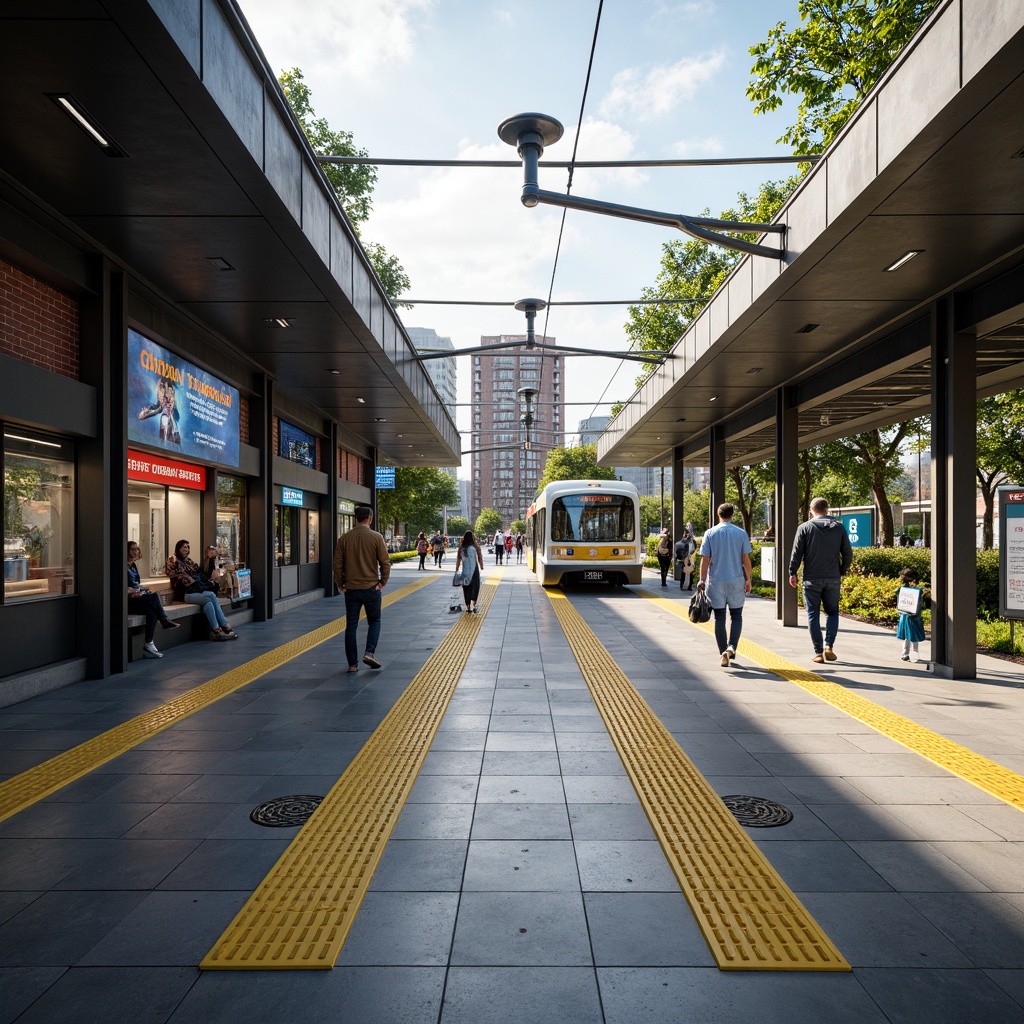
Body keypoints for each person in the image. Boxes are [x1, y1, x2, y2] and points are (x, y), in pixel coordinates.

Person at [788, 497, 853, 664]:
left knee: (812, 614)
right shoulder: (838, 527)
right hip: (832, 578)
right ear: (827, 509)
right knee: (832, 612)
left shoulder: (805, 528)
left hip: (811, 579)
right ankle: (829, 645)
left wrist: (792, 572)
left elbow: (797, 553)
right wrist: (841, 571)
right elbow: (847, 553)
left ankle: (818, 652)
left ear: (811, 510)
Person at [333, 505, 390, 672]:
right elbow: (384, 562)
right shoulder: (376, 537)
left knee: (351, 625)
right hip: (371, 587)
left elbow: (337, 565)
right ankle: (369, 653)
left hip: (351, 589)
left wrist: (340, 583)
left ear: (356, 518)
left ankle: (352, 664)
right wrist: (383, 581)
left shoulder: (344, 539)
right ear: (369, 518)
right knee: (375, 621)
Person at [697, 503, 752, 668]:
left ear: (718, 514)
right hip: (736, 581)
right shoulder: (741, 533)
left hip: (716, 582)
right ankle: (731, 647)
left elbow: (705, 559)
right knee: (736, 616)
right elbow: (745, 559)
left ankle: (723, 651)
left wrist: (701, 579)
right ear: (732, 514)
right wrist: (748, 579)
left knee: (719, 617)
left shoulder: (710, 533)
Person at [164, 540, 237, 641]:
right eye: (184, 547)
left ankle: (215, 630)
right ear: (178, 548)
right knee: (211, 595)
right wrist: (193, 581)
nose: (186, 549)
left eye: (188, 547)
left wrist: (211, 559)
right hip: (185, 594)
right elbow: (177, 575)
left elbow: (202, 573)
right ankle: (225, 625)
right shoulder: (173, 560)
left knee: (209, 604)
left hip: (196, 592)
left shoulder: (189, 561)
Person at [127, 541, 179, 658]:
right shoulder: (122, 567)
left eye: (137, 549)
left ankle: (148, 643)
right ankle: (164, 620)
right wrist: (132, 592)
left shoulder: (133, 566)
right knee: (154, 596)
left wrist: (141, 589)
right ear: (126, 551)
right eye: (133, 550)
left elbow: (136, 584)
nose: (136, 552)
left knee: (152, 612)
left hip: (139, 597)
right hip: (128, 600)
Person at [896, 566, 930, 662]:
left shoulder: (902, 589)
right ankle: (914, 653)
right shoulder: (917, 590)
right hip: (914, 615)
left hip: (905, 614)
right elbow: (920, 604)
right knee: (913, 635)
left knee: (908, 635)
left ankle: (905, 653)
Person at [455, 530, 485, 614]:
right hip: (474, 570)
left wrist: (457, 568)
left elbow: (458, 559)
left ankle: (468, 605)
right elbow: (480, 557)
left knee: (466, 587)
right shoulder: (475, 547)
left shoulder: (461, 548)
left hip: (465, 570)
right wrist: (481, 566)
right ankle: (474, 603)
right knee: (475, 586)